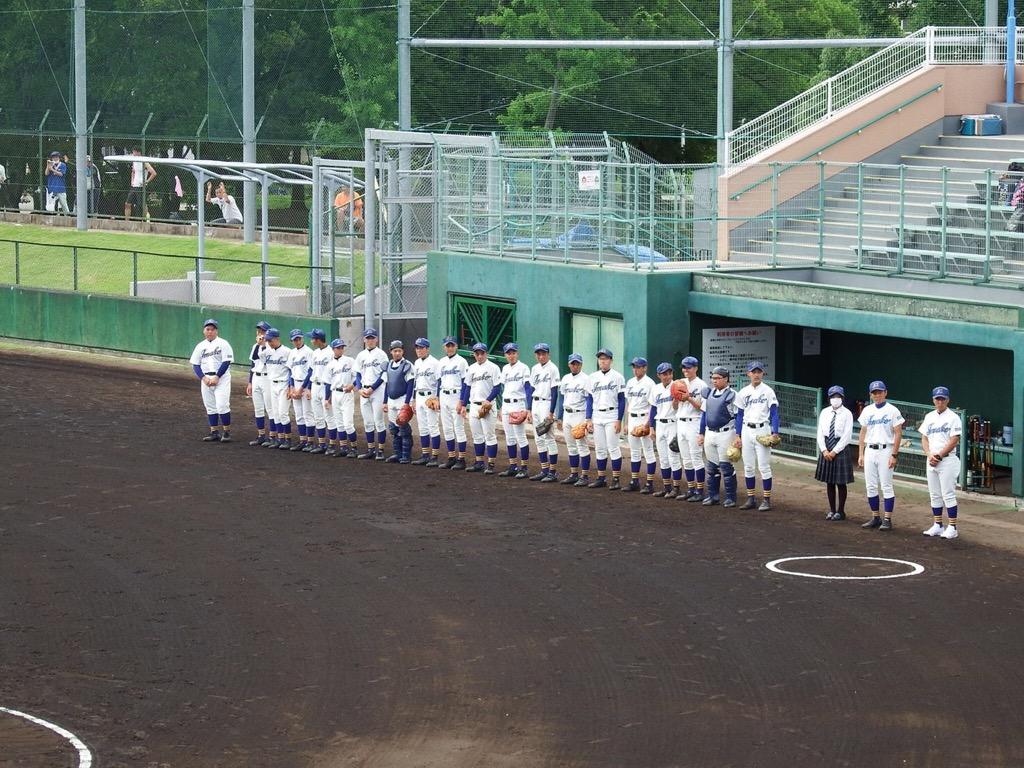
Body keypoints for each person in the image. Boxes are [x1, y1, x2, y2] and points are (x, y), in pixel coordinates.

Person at [857, 380, 905, 531]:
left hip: (886, 450)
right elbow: (863, 432)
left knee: (886, 485)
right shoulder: (867, 410)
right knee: (870, 486)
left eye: (879, 392)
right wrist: (861, 453)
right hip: (870, 450)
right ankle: (875, 517)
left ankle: (887, 519)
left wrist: (894, 454)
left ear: (885, 393)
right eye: (874, 393)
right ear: (870, 395)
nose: (877, 395)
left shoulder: (892, 410)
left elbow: (898, 433)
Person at [734, 361, 780, 511]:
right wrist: (737, 435)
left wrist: (775, 432)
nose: (756, 374)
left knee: (764, 466)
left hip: (762, 430)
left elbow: (774, 413)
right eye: (753, 372)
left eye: (759, 371)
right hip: (747, 431)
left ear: (762, 373)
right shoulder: (743, 392)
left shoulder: (768, 391)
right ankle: (750, 499)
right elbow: (739, 416)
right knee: (748, 466)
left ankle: (766, 500)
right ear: (748, 374)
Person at [920, 386, 962, 539]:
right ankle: (938, 524)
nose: (940, 401)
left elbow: (954, 439)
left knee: (948, 494)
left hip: (947, 460)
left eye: (942, 399)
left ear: (947, 400)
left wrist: (939, 456)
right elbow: (924, 438)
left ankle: (952, 527)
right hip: (931, 460)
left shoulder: (953, 417)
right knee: (934, 494)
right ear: (933, 400)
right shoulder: (929, 416)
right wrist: (929, 454)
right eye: (937, 398)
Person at [586, 348, 626, 490]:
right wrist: (588, 418)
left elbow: (622, 400)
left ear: (611, 360)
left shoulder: (618, 377)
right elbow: (589, 399)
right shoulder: (592, 377)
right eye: (600, 358)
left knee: (613, 447)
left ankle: (615, 479)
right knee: (600, 448)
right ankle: (601, 478)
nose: (603, 361)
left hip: (612, 415)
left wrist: (619, 420)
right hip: (597, 415)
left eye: (606, 358)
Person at [698, 366, 739, 507]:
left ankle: (731, 497)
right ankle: (713, 496)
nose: (714, 381)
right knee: (711, 467)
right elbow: (704, 414)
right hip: (710, 433)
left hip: (726, 433)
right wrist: (701, 433)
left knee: (726, 467)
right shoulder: (709, 394)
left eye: (717, 378)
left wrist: (738, 436)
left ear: (726, 379)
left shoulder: (733, 395)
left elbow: (738, 417)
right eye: (713, 378)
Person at [189, 319, 234, 442]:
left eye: (212, 329)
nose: (210, 332)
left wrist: (217, 376)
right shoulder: (200, 346)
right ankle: (214, 432)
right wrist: (203, 378)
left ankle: (226, 432)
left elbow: (226, 362)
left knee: (222, 405)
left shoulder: (223, 343)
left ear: (216, 331)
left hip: (222, 378)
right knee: (210, 406)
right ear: (204, 331)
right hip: (206, 378)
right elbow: (195, 365)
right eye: (207, 329)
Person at [460, 342, 501, 473]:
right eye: (477, 353)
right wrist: (462, 405)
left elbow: (497, 387)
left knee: (489, 435)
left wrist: (488, 400)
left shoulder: (493, 367)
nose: (479, 356)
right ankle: (479, 462)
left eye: (482, 353)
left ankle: (491, 464)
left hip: (488, 406)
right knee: (477, 436)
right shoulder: (471, 368)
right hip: (473, 405)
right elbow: (467, 387)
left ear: (486, 353)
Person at [815, 385, 854, 521]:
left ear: (842, 398)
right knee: (829, 482)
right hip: (826, 445)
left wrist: (835, 451)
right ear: (829, 398)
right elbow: (820, 432)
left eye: (838, 396)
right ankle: (832, 510)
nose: (835, 399)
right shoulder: (824, 412)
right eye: (833, 396)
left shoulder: (847, 413)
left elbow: (847, 436)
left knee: (840, 482)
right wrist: (824, 449)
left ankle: (841, 511)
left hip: (840, 448)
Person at [557, 353, 592, 487]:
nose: (574, 366)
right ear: (569, 364)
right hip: (567, 415)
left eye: (577, 363)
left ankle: (585, 475)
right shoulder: (565, 378)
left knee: (582, 446)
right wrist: (559, 417)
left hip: (580, 415)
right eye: (572, 363)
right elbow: (562, 399)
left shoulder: (586, 379)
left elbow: (589, 400)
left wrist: (588, 419)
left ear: (581, 365)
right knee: (571, 446)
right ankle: (573, 474)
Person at [675, 355, 707, 502]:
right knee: (686, 460)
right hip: (680, 422)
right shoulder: (679, 383)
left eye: (689, 367)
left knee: (696, 458)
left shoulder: (702, 385)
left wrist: (688, 398)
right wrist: (676, 397)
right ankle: (690, 489)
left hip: (694, 422)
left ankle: (700, 491)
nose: (686, 370)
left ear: (696, 368)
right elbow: (674, 407)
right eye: (684, 367)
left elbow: (702, 408)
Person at [498, 343, 533, 478]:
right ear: (505, 355)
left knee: (521, 437)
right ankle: (513, 466)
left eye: (513, 353)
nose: (511, 355)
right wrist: (500, 407)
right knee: (509, 438)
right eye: (508, 353)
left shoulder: (524, 368)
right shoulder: (505, 368)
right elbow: (503, 389)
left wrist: (528, 408)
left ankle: (524, 468)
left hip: (518, 404)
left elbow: (528, 389)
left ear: (517, 354)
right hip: (506, 405)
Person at [354, 328, 389, 459]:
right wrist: (359, 388)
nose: (370, 340)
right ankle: (370, 450)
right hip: (364, 391)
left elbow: (384, 374)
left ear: (377, 339)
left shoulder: (382, 354)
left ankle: (380, 451)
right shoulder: (361, 355)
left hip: (377, 391)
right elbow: (357, 373)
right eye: (368, 338)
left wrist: (372, 388)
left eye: (372, 338)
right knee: (367, 422)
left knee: (379, 421)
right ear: (364, 340)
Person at [624, 357, 657, 493]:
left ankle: (649, 483)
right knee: (634, 452)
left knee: (648, 451)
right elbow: (628, 404)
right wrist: (626, 423)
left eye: (638, 367)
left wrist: (648, 425)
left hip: (644, 419)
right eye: (634, 367)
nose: (635, 369)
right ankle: (634, 481)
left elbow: (652, 406)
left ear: (645, 368)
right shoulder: (630, 382)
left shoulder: (650, 384)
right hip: (632, 419)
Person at [649, 362, 682, 498]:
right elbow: (653, 409)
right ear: (659, 375)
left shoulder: (678, 386)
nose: (667, 376)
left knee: (673, 456)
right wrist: (651, 427)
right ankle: (667, 487)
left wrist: (675, 402)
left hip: (673, 424)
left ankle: (676, 488)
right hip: (660, 424)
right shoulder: (656, 389)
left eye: (669, 373)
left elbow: (678, 408)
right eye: (664, 374)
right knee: (663, 458)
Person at [529, 343, 560, 482]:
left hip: (546, 404)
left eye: (543, 353)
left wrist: (551, 412)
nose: (541, 356)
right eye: (539, 354)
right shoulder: (534, 368)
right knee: (538, 437)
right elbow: (531, 389)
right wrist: (529, 409)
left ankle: (552, 472)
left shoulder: (553, 369)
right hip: (536, 404)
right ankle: (544, 470)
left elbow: (555, 392)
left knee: (549, 437)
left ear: (548, 354)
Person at [437, 336, 469, 469]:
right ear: (444, 347)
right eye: (447, 345)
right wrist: (437, 398)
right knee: (447, 428)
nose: (449, 348)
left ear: (456, 346)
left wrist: (462, 401)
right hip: (444, 395)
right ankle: (451, 457)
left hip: (456, 395)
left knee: (459, 427)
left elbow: (465, 383)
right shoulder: (441, 361)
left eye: (452, 345)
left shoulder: (462, 361)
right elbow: (439, 381)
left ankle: (461, 459)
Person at [411, 338, 442, 466]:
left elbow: (440, 381)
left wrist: (437, 397)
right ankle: (425, 455)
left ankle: (434, 457)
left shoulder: (435, 363)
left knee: (433, 427)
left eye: (421, 347)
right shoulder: (417, 363)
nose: (419, 350)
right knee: (422, 428)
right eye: (417, 348)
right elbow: (415, 383)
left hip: (431, 397)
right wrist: (413, 399)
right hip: (419, 396)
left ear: (427, 349)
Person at [323, 339, 357, 457]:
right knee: (339, 424)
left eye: (342, 347)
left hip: (346, 394)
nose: (341, 349)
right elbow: (327, 383)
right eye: (338, 348)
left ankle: (354, 448)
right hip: (335, 394)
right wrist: (327, 399)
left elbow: (358, 377)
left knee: (348, 424)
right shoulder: (329, 365)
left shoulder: (350, 361)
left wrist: (352, 385)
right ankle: (343, 448)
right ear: (333, 349)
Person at [262, 329, 293, 448]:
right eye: (267, 340)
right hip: (272, 384)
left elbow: (291, 370)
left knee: (283, 413)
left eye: (271, 340)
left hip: (284, 384)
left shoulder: (287, 352)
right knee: (275, 412)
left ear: (277, 338)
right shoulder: (267, 350)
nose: (269, 342)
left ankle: (288, 439)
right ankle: (280, 439)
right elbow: (255, 359)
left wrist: (290, 386)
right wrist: (261, 346)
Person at [285, 329, 314, 452]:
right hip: (295, 384)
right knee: (299, 415)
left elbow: (310, 372)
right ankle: (303, 440)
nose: (297, 341)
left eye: (298, 339)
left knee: (308, 414)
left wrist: (302, 388)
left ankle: (310, 442)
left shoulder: (309, 352)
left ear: (302, 338)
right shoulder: (292, 353)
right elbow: (290, 371)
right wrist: (291, 387)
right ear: (291, 341)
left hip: (305, 385)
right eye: (294, 340)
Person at [246, 321, 273, 446]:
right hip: (256, 378)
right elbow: (253, 364)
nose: (260, 333)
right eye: (259, 331)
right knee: (258, 408)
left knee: (270, 408)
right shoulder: (255, 346)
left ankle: (273, 436)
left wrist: (263, 346)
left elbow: (267, 362)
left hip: (267, 379)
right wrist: (250, 382)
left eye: (263, 331)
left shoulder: (272, 347)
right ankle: (261, 435)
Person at [307, 329, 332, 454]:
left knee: (328, 416)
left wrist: (330, 394)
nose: (311, 340)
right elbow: (311, 370)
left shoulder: (331, 353)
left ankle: (332, 445)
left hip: (325, 386)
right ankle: (322, 444)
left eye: (312, 338)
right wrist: (309, 388)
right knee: (318, 416)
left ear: (317, 339)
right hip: (315, 385)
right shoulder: (315, 353)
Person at [125, 148, 156, 220]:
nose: (133, 154)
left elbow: (153, 173)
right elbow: (133, 171)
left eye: (134, 152)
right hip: (134, 186)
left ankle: (146, 220)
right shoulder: (134, 161)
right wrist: (132, 181)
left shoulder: (144, 162)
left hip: (140, 187)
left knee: (142, 205)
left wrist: (147, 181)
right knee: (127, 204)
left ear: (139, 152)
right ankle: (127, 222)